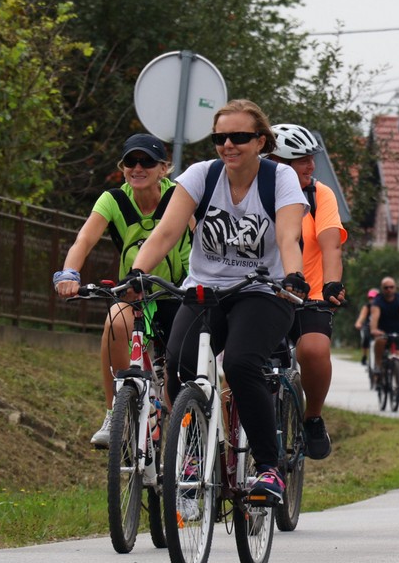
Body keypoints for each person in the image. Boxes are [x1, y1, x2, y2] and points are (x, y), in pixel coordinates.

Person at [129, 98, 309, 505]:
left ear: (261, 141)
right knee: (178, 366)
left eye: (239, 137)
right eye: (220, 137)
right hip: (205, 289)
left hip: (264, 290)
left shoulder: (280, 179)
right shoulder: (200, 176)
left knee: (242, 363)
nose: (228, 145)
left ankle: (268, 468)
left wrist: (294, 275)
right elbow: (165, 233)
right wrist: (138, 273)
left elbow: (287, 237)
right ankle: (192, 458)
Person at [54, 133, 191, 447]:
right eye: (131, 161)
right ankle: (118, 409)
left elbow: (200, 236)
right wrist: (69, 273)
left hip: (175, 294)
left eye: (147, 161)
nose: (138, 167)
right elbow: (84, 239)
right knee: (114, 322)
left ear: (163, 168)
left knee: (176, 382)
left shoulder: (179, 196)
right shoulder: (113, 199)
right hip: (132, 291)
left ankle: (182, 446)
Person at [268, 123, 346, 460]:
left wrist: (331, 283)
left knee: (314, 350)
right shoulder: (256, 193)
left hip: (309, 292)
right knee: (242, 370)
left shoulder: (319, 194)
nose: (310, 166)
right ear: (275, 163)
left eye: (311, 158)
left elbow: (331, 245)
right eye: (300, 160)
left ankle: (312, 416)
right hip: (263, 292)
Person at [368, 276, 399, 401]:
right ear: (382, 289)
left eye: (391, 287)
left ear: (395, 288)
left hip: (396, 333)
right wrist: (374, 329)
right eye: (386, 287)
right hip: (382, 332)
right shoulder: (378, 301)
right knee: (380, 341)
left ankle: (397, 387)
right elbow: (375, 316)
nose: (389, 290)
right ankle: (379, 367)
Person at [354, 288, 377, 365]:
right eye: (370, 298)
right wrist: (358, 323)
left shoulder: (381, 306)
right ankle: (364, 356)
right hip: (368, 326)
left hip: (378, 327)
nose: (372, 300)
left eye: (374, 298)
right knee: (365, 338)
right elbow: (362, 316)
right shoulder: (367, 306)